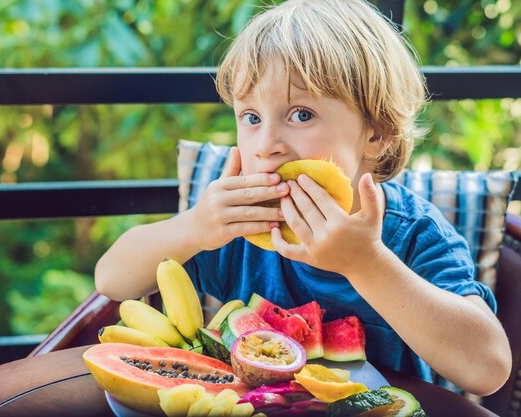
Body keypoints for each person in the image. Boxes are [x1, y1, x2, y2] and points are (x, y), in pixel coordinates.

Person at [95, 0, 511, 396]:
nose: (266, 145)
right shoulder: (236, 226)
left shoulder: (413, 233)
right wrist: (194, 227)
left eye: (301, 115)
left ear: (376, 133)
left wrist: (365, 263)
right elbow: (111, 280)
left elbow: (487, 368)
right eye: (252, 117)